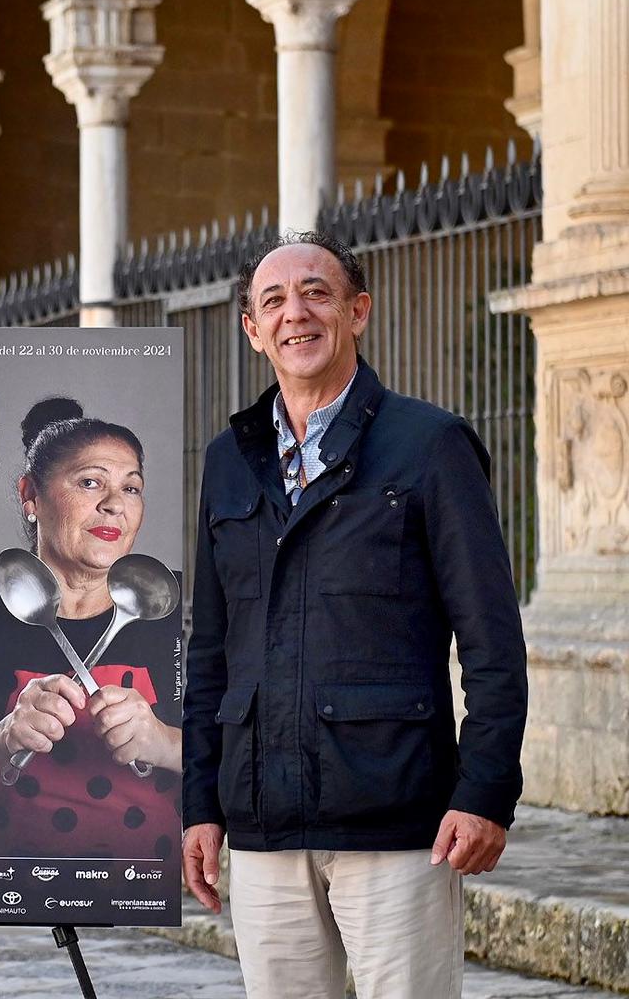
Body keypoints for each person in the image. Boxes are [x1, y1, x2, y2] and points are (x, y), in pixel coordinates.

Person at [181, 232, 528, 999]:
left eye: (316, 293)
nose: (294, 314)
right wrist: (199, 804)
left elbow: (492, 639)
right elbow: (210, 649)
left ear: (357, 311)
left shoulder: (428, 445)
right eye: (272, 301)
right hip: (263, 820)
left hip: (395, 815)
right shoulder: (228, 461)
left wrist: (484, 791)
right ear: (251, 328)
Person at [0, 398, 182, 860]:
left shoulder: (176, 609)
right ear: (30, 496)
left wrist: (164, 743)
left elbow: (253, 760)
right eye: (89, 482)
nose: (115, 505)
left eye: (132, 488)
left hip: (150, 891)